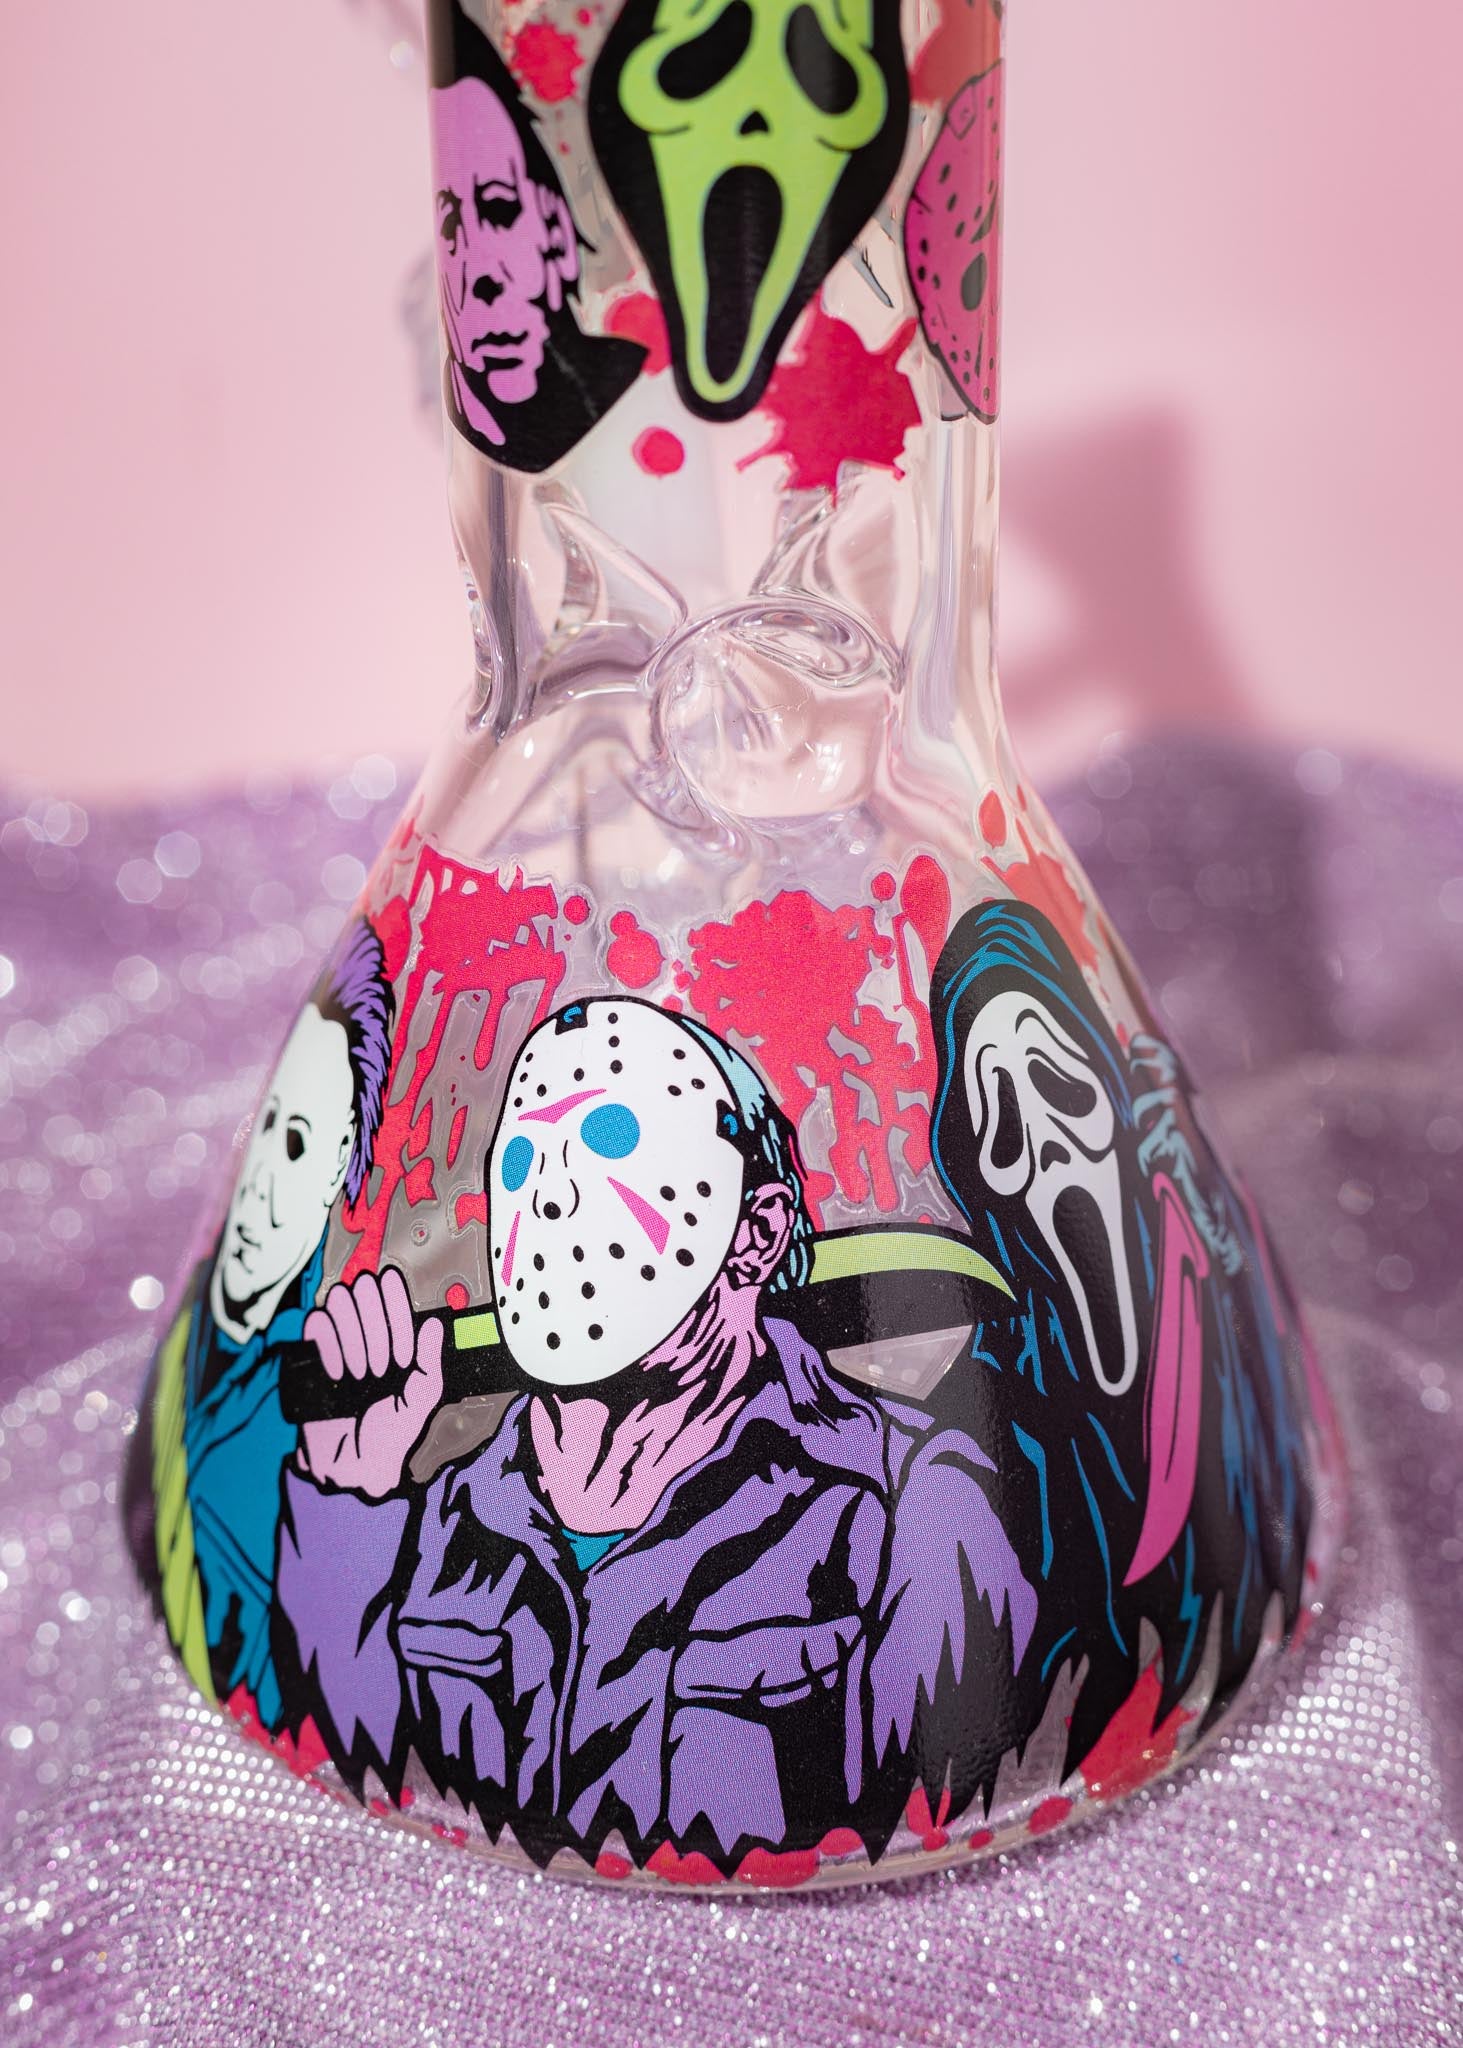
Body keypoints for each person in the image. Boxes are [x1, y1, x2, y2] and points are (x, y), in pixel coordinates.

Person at [275, 996, 1038, 1873]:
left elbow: (958, 1803)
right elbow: (353, 1791)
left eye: (610, 1142)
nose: (549, 1195)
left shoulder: (910, 1508)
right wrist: (349, 1500)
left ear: (755, 1235)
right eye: (520, 1161)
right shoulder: (445, 1521)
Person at [928, 899, 1314, 1768]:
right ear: (974, 1160)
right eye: (997, 1113)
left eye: (1058, 1083)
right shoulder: (997, 1409)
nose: (1043, 1143)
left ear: (1109, 1087)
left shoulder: (1201, 1277)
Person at [150, 919, 393, 1729]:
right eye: (269, 1128)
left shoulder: (319, 1388)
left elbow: (305, 1690)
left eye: (299, 1146)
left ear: (341, 1165)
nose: (259, 1189)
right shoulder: (216, 1353)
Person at [428, 0, 644, 472]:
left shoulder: (633, 386)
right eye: (449, 226)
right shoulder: (484, 448)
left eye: (500, 210)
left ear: (557, 235)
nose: (482, 276)